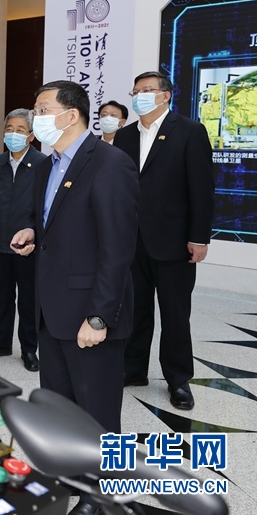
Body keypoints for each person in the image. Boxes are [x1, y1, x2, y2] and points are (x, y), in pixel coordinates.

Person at [12, 80, 138, 515]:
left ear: (70, 115)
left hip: (90, 314)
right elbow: (54, 223)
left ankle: (101, 496)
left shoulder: (110, 163)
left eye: (42, 109)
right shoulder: (47, 165)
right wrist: (33, 233)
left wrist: (100, 317)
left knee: (97, 414)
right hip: (52, 311)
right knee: (60, 409)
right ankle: (68, 481)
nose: (35, 117)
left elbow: (118, 248)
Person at [113, 71, 214, 411]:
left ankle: (178, 379)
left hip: (174, 241)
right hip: (132, 240)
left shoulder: (189, 131)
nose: (140, 95)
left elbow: (202, 190)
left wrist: (199, 237)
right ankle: (133, 369)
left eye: (147, 90)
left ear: (166, 95)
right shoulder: (124, 136)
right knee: (135, 308)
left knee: (175, 314)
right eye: (136, 91)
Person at [0, 109, 47, 371]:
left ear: (31, 135)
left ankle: (29, 348)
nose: (13, 134)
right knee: (3, 295)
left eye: (20, 130)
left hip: (28, 244)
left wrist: (33, 232)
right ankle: (2, 342)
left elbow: (44, 206)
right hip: (1, 239)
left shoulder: (43, 163)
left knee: (28, 297)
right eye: (9, 129)